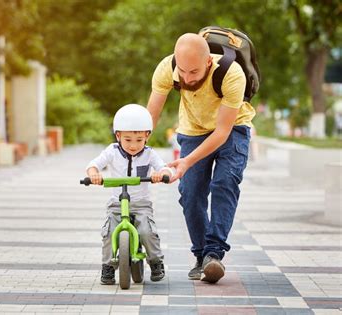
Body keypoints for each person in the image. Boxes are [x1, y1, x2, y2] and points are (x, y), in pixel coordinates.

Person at [147, 33, 255, 283]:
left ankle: (213, 253)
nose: (186, 78)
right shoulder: (167, 68)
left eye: (193, 72)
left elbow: (221, 132)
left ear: (208, 63)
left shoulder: (231, 73)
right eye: (182, 71)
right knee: (191, 193)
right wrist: (136, 147)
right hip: (193, 129)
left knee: (224, 183)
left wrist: (186, 161)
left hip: (233, 129)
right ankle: (202, 257)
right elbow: (150, 117)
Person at [86, 104, 172, 285]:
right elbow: (94, 164)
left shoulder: (149, 154)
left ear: (147, 136)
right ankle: (108, 266)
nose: (134, 145)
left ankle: (156, 261)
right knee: (109, 233)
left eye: (139, 140)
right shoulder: (112, 151)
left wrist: (161, 174)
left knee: (147, 231)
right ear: (118, 136)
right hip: (117, 203)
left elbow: (165, 168)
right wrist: (94, 173)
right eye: (128, 139)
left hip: (141, 204)